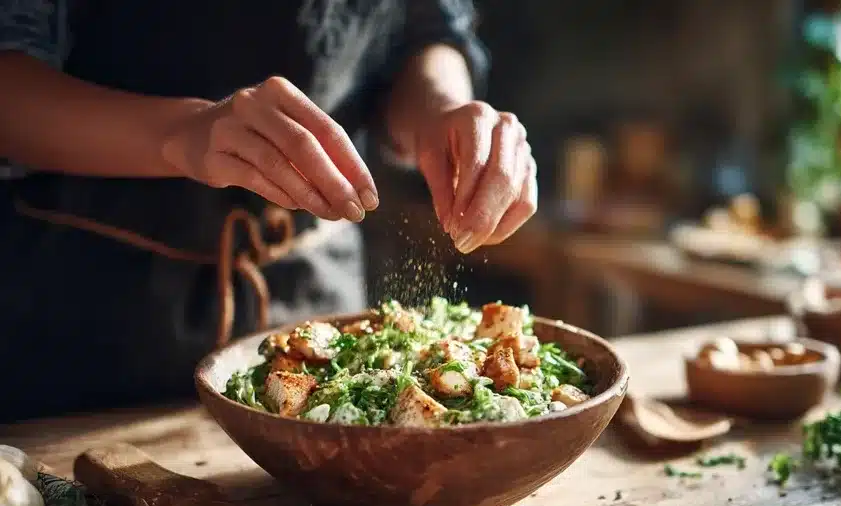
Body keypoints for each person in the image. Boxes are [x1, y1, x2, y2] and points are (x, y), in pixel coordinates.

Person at [0, 1, 537, 423]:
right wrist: (180, 132)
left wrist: (440, 110)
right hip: (88, 320)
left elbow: (425, 30)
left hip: (311, 293)